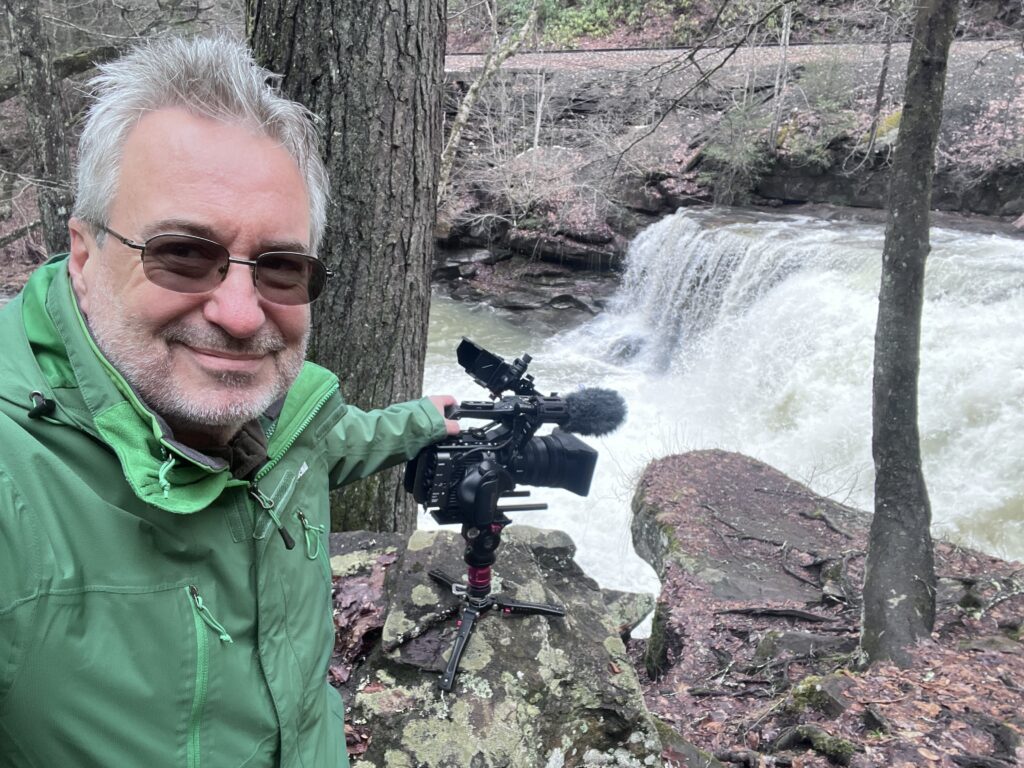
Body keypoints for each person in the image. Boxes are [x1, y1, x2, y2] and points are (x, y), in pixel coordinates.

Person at [0, 36, 457, 767]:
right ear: (84, 259)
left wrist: (426, 422)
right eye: (182, 253)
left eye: (280, 266)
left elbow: (325, 444)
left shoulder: (276, 421)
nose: (242, 314)